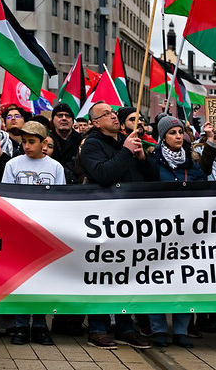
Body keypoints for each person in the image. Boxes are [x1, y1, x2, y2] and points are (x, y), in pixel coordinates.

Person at [77, 101, 155, 349]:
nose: (113, 116)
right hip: (105, 220)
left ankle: (125, 326)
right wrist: (125, 152)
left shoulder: (127, 140)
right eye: (106, 114)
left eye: (113, 112)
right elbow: (103, 174)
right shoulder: (92, 144)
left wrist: (141, 157)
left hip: (131, 220)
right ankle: (98, 327)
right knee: (102, 273)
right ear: (95, 122)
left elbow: (151, 178)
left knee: (127, 274)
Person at [2, 121, 64, 345]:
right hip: (21, 232)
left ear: (44, 142)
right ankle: (20, 326)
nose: (26, 146)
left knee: (43, 280)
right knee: (21, 280)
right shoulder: (12, 165)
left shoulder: (55, 167)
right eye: (24, 142)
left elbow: (60, 200)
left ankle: (39, 326)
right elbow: (6, 196)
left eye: (31, 142)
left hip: (45, 231)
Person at [147, 116, 204, 348]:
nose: (179, 136)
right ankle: (158, 328)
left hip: (187, 232)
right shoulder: (153, 161)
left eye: (181, 132)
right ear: (163, 137)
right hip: (158, 231)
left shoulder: (193, 163)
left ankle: (181, 330)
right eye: (172, 133)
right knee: (156, 279)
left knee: (184, 280)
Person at [49, 103, 81, 184]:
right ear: (53, 120)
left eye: (67, 116)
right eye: (60, 115)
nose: (64, 119)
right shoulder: (46, 141)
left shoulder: (82, 140)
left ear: (72, 120)